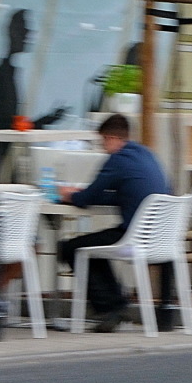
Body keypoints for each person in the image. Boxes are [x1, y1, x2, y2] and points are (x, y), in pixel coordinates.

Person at [56, 113, 173, 332]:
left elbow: (87, 199)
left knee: (69, 248)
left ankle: (110, 308)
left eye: (102, 142)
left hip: (135, 237)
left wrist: (69, 195)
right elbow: (123, 195)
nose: (102, 147)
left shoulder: (117, 160)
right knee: (92, 247)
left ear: (110, 138)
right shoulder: (147, 155)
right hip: (161, 237)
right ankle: (119, 304)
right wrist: (83, 195)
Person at [0, 9, 31, 165]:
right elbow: (1, 125)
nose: (28, 34)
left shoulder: (7, 73)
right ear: (12, 33)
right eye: (24, 28)